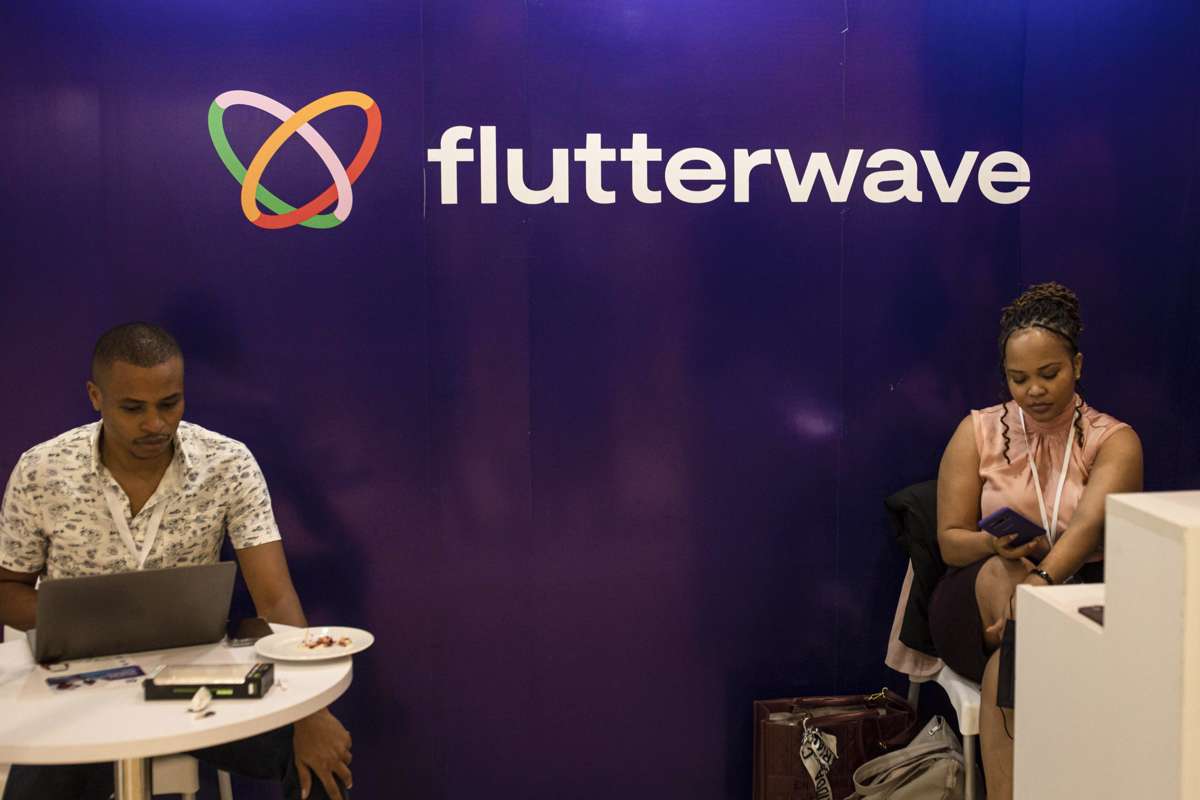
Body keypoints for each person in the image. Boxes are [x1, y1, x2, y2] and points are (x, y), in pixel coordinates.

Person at [0, 323, 354, 800]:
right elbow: (7, 588)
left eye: (169, 404)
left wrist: (310, 713)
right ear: (95, 397)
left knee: (320, 763)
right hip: (78, 679)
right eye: (133, 408)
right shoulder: (42, 470)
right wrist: (86, 617)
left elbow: (275, 598)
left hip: (194, 674)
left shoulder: (227, 463)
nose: (155, 424)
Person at [927, 282, 1143, 800]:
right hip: (976, 601)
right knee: (1007, 578)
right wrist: (993, 546)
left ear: (1078, 366)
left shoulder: (1114, 440)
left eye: (1049, 374)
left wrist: (1042, 586)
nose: (1034, 391)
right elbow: (951, 543)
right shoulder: (977, 432)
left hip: (1079, 592)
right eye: (1018, 378)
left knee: (1015, 655)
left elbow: (1087, 528)